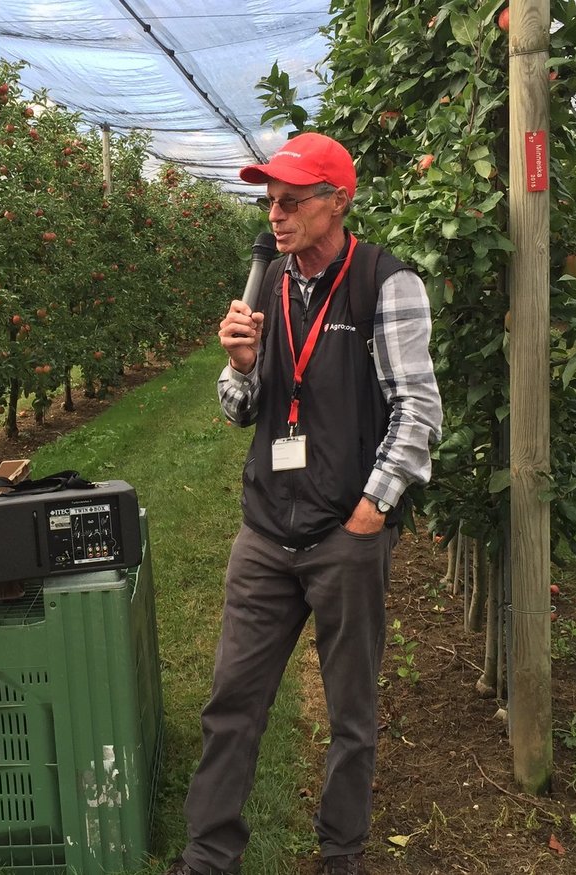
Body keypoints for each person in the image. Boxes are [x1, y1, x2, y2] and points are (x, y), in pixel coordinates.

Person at [166, 132, 443, 875]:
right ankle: (208, 855)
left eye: (291, 200)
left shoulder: (385, 282)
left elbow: (418, 409)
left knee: (350, 712)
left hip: (343, 534)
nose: (276, 214)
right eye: (270, 200)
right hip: (266, 531)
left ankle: (340, 852)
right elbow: (239, 411)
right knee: (232, 699)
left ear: (338, 201)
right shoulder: (268, 285)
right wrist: (240, 366)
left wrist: (371, 510)